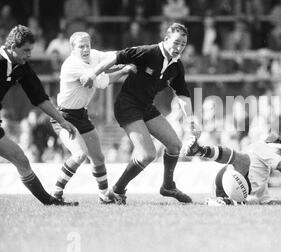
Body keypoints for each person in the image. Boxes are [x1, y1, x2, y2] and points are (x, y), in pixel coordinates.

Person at [80, 23, 197, 204]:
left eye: (183, 44)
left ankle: (168, 186)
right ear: (166, 40)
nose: (179, 47)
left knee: (175, 145)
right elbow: (116, 57)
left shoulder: (177, 66)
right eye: (176, 43)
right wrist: (92, 74)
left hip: (146, 107)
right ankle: (116, 191)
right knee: (147, 154)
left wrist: (190, 120)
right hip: (127, 105)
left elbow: (182, 94)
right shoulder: (148, 52)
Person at [50, 32, 137, 204]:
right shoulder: (72, 65)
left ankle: (104, 195)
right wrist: (125, 70)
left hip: (81, 114)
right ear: (72, 49)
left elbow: (114, 56)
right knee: (79, 155)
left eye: (87, 45)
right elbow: (101, 82)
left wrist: (135, 54)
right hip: (63, 117)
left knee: (98, 158)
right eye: (81, 46)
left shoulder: (93, 55)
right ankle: (55, 194)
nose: (85, 49)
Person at [0, 25, 78, 206]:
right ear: (12, 47)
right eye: (25, 50)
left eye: (30, 50)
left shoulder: (21, 67)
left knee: (20, 159)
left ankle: (50, 202)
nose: (29, 55)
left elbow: (39, 97)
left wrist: (62, 121)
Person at [185, 134, 281, 205]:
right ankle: (201, 150)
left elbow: (267, 203)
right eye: (280, 151)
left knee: (255, 200)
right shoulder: (261, 146)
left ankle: (222, 202)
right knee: (244, 160)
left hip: (233, 187)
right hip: (228, 178)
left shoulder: (264, 174)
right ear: (270, 145)